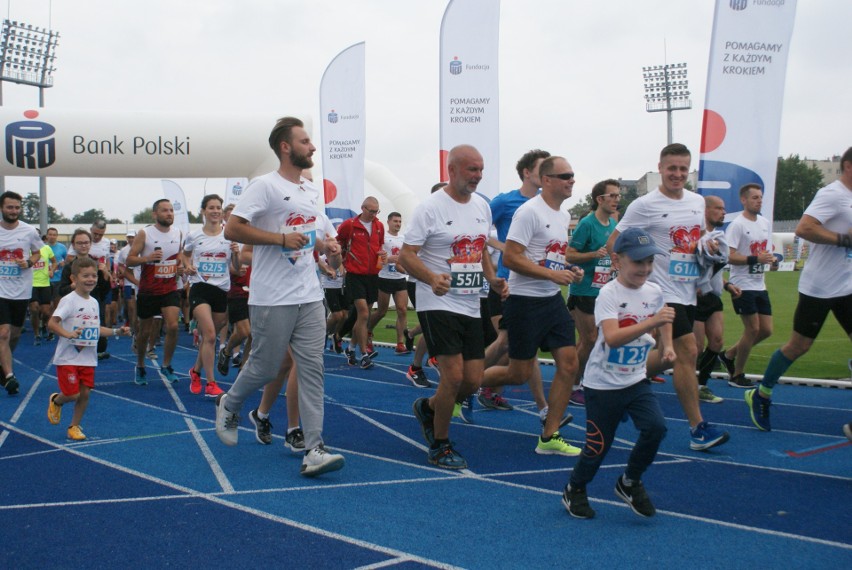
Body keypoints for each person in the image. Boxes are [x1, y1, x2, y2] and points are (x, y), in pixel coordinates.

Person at [214, 116, 345, 477]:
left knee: (312, 370)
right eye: (305, 142)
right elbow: (232, 229)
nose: (313, 147)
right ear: (286, 147)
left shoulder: (309, 192)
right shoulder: (265, 186)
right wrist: (279, 240)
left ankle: (314, 448)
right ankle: (231, 402)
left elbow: (311, 234)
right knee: (266, 367)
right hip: (272, 296)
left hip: (309, 294)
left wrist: (327, 246)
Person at [606, 143, 729, 451]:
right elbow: (614, 243)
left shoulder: (697, 201)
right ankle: (697, 428)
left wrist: (708, 252)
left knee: (668, 354)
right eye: (671, 168)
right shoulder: (644, 205)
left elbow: (697, 240)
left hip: (688, 288)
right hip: (660, 290)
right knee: (688, 350)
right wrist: (636, 281)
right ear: (660, 168)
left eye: (682, 169)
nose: (677, 174)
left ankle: (615, 387)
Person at [402, 144, 505, 470]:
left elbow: (481, 251)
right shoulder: (430, 208)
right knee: (453, 376)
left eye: (480, 169)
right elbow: (406, 256)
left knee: (473, 381)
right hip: (438, 302)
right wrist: (431, 278)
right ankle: (441, 444)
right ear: (453, 170)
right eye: (471, 169)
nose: (478, 176)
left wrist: (493, 279)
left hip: (471, 302)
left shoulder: (482, 207)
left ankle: (430, 408)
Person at [562, 227, 673, 519]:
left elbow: (665, 317)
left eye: (649, 261)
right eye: (638, 262)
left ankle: (630, 481)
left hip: (635, 380)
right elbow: (611, 337)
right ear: (617, 261)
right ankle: (575, 488)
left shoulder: (654, 291)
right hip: (603, 385)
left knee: (656, 428)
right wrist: (652, 324)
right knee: (598, 445)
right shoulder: (608, 295)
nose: (645, 268)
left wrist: (668, 345)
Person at [480, 155, 585, 456]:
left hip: (551, 300)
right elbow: (511, 259)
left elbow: (551, 255)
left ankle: (549, 435)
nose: (572, 180)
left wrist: (568, 269)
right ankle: (459, 385)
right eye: (566, 176)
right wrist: (554, 273)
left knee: (569, 363)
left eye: (573, 175)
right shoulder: (528, 212)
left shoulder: (563, 216)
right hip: (524, 303)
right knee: (517, 373)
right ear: (547, 180)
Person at [745, 146, 852, 431]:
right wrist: (843, 240)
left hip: (848, 286)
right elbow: (804, 229)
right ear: (849, 166)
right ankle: (762, 392)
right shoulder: (832, 194)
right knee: (799, 346)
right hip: (820, 287)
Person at [480, 149, 550, 414]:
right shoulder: (505, 201)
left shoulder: (549, 204)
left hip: (538, 285)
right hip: (508, 283)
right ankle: (469, 382)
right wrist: (505, 249)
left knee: (515, 347)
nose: (548, 175)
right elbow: (479, 231)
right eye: (543, 169)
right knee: (509, 344)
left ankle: (481, 387)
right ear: (527, 173)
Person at [47, 257, 131, 440]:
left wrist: (118, 331)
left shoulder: (93, 302)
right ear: (73, 279)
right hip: (68, 357)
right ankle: (57, 400)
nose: (91, 279)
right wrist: (67, 334)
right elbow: (52, 323)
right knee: (72, 393)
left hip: (88, 357)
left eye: (94, 275)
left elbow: (96, 329)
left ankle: (73, 426)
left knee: (85, 394)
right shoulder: (68, 301)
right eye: (85, 276)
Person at [565, 178, 620, 404]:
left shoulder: (613, 225)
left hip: (604, 290)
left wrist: (615, 263)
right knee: (589, 339)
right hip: (584, 290)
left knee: (598, 340)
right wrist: (592, 255)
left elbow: (611, 254)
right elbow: (569, 254)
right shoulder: (587, 223)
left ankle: (582, 380)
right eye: (613, 196)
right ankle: (572, 384)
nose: (617, 200)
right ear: (600, 199)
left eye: (618, 196)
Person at [719, 184, 776, 388]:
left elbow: (765, 251)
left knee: (766, 330)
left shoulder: (765, 223)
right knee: (752, 329)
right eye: (754, 197)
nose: (759, 200)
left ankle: (729, 354)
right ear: (743, 200)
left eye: (760, 197)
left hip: (760, 284)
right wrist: (755, 259)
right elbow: (729, 256)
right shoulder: (737, 225)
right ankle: (737, 374)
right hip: (742, 285)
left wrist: (770, 260)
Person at [126, 199, 184, 385]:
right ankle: (141, 365)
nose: (169, 214)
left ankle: (166, 365)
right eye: (165, 210)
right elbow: (129, 260)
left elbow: (179, 256)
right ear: (155, 214)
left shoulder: (178, 233)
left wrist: (181, 267)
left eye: (171, 211)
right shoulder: (145, 233)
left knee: (173, 326)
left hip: (169, 288)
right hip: (149, 290)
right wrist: (148, 258)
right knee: (145, 331)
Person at [183, 194, 236, 397]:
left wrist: (237, 254)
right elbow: (185, 254)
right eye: (211, 207)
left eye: (218, 207)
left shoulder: (229, 236)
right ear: (203, 211)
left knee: (208, 337)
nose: (215, 211)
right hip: (200, 287)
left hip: (221, 289)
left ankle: (196, 371)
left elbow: (237, 268)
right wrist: (188, 266)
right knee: (211, 335)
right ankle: (211, 383)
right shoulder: (194, 236)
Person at [693, 195, 740, 403]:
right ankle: (689, 383)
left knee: (717, 340)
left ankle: (701, 384)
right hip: (694, 296)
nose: (723, 212)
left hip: (713, 296)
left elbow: (715, 270)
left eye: (724, 208)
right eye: (719, 208)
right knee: (695, 347)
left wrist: (727, 285)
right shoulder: (694, 235)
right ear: (706, 210)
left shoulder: (720, 237)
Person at [0, 191, 44, 395]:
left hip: (21, 290)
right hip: (1, 289)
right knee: (4, 333)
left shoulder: (28, 231)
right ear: (2, 208)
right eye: (10, 207)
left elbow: (38, 252)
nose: (14, 211)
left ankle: (4, 366)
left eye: (17, 207)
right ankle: (9, 376)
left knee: (15, 335)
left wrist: (28, 263)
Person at [336, 196, 385, 368]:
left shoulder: (379, 226)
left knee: (363, 317)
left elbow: (380, 246)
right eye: (371, 211)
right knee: (363, 313)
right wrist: (342, 262)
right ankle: (364, 354)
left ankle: (350, 348)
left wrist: (382, 256)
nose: (373, 214)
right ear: (362, 208)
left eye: (376, 211)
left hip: (372, 275)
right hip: (355, 275)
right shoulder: (349, 225)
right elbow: (338, 243)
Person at [367, 211, 410, 354]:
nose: (398, 224)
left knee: (402, 310)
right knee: (381, 312)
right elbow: (375, 256)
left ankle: (400, 343)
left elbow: (406, 256)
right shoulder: (382, 237)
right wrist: (388, 259)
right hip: (384, 277)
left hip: (399, 278)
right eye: (395, 221)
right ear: (388, 222)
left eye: (399, 221)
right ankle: (368, 331)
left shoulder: (404, 238)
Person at [29, 237, 57, 345]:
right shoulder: (27, 250)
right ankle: (36, 334)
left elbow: (54, 262)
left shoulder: (46, 248)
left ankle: (44, 325)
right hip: (31, 284)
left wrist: (52, 270)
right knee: (34, 309)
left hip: (45, 283)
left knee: (46, 312)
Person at [45, 227, 68, 335]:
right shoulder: (42, 247)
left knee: (57, 305)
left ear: (57, 236)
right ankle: (46, 324)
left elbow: (67, 260)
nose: (52, 236)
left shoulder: (62, 247)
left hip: (58, 279)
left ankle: (54, 328)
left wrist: (64, 264)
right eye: (50, 234)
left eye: (54, 234)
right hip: (45, 280)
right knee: (47, 307)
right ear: (47, 235)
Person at [117, 230, 139, 336]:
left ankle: (138, 326)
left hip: (140, 282)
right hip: (128, 283)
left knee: (138, 306)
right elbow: (120, 265)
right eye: (129, 237)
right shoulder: (123, 251)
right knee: (130, 306)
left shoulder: (141, 249)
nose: (131, 239)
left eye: (132, 237)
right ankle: (132, 327)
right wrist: (125, 273)